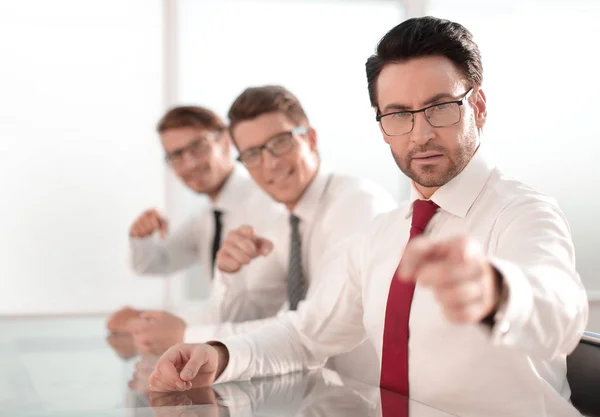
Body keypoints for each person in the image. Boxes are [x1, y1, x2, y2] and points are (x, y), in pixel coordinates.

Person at [147, 17, 588, 416]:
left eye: (440, 107)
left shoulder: (522, 211)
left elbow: (562, 310)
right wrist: (220, 355)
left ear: (478, 107)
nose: (421, 133)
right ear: (382, 126)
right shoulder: (383, 234)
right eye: (398, 114)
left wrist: (496, 290)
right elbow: (307, 334)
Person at [133, 86, 396, 384]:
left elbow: (313, 331)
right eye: (253, 154)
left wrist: (186, 335)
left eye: (280, 142)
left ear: (310, 138)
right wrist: (229, 275)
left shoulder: (355, 203)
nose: (270, 163)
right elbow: (245, 316)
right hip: (322, 396)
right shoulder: (287, 222)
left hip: (375, 398)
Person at [106, 106, 284, 339]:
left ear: (226, 140)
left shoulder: (264, 205)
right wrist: (141, 237)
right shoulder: (208, 216)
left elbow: (251, 311)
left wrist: (144, 321)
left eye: (197, 147)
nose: (189, 164)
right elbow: (155, 262)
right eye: (177, 155)